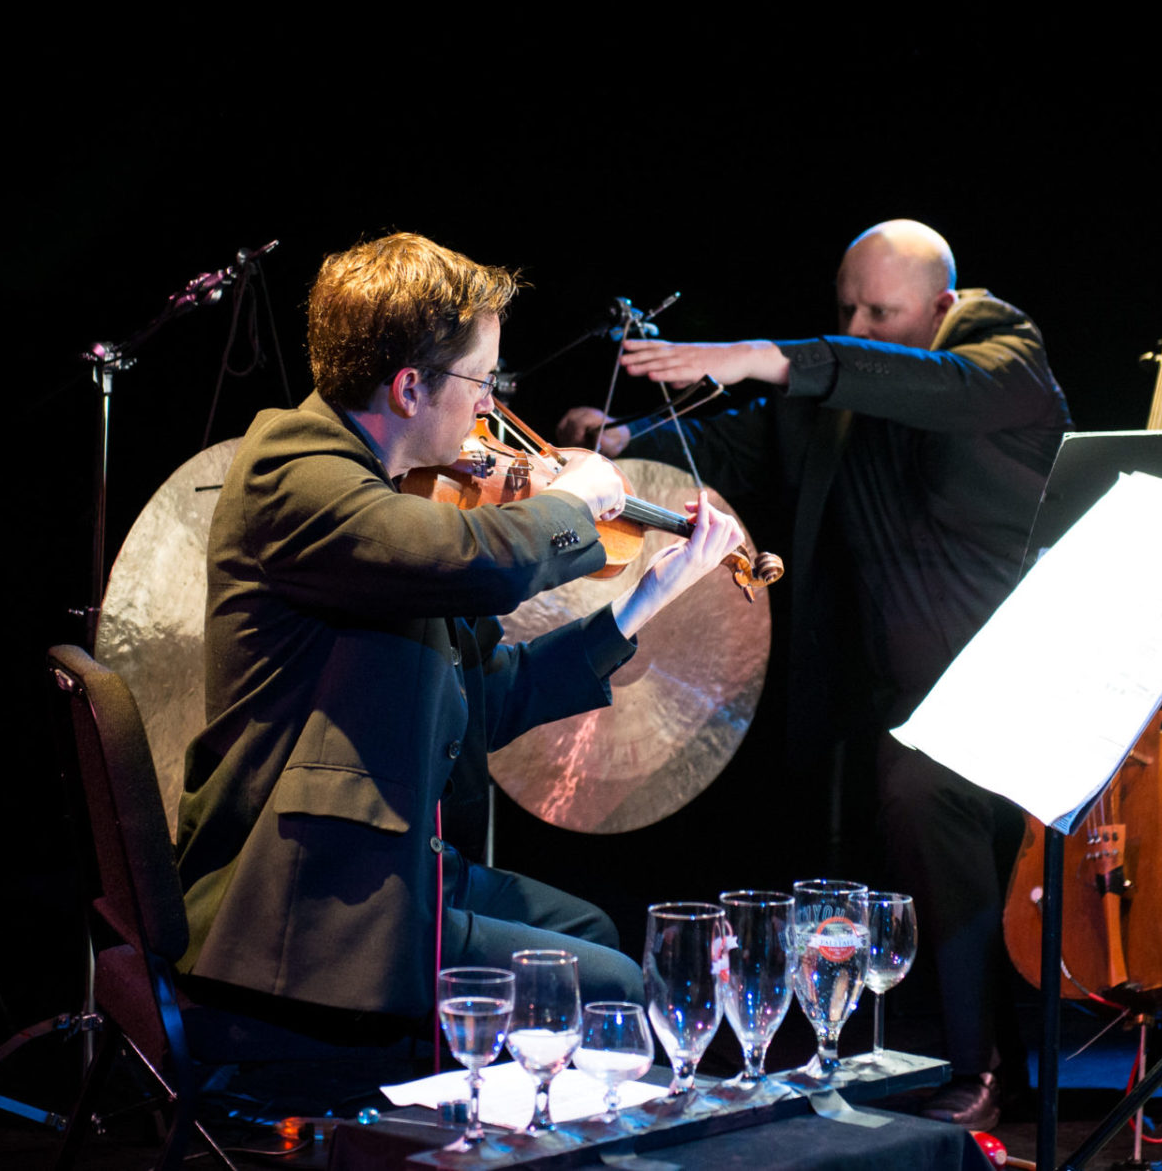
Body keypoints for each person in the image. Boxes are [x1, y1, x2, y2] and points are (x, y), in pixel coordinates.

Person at [560, 219, 1071, 1126]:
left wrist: (766, 352)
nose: (863, 325)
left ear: (944, 307)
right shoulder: (831, 395)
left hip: (1025, 682)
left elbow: (933, 386)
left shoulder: (1004, 356)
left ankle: (982, 1065)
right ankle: (953, 1059)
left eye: (885, 309)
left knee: (920, 787)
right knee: (899, 791)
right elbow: (732, 449)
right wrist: (622, 442)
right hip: (901, 698)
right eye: (849, 309)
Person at [175, 233, 744, 1027]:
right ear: (409, 387)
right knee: (608, 986)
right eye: (483, 380)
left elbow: (489, 698)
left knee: (590, 933)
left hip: (385, 865)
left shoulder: (394, 494)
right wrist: (572, 501)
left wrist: (649, 597)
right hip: (307, 895)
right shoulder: (297, 470)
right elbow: (473, 560)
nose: (490, 405)